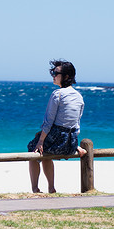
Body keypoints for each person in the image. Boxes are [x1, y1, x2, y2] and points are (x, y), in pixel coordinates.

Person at [27, 60, 85, 193]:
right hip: (69, 142)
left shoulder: (57, 94)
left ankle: (35, 189)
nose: (53, 75)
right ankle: (51, 188)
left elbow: (48, 122)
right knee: (46, 153)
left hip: (57, 139)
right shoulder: (79, 96)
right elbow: (76, 123)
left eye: (56, 73)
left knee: (33, 150)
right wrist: (74, 143)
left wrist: (40, 141)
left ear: (66, 77)